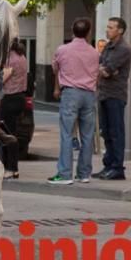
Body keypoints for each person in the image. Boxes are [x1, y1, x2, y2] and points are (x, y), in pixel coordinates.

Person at [48, 18, 99, 185]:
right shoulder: (94, 53)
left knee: (67, 134)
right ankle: (84, 173)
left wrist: (57, 88)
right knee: (87, 135)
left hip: (70, 92)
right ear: (89, 32)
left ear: (72, 31)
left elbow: (55, 69)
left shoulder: (63, 50)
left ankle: (65, 173)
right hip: (89, 94)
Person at [95, 17, 131, 181]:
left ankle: (117, 168)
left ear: (120, 30)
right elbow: (100, 66)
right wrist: (103, 69)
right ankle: (108, 165)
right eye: (107, 26)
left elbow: (107, 70)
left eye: (111, 28)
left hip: (115, 94)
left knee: (116, 132)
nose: (107, 30)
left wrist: (105, 70)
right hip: (103, 93)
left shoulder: (123, 48)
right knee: (106, 131)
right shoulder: (108, 46)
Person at [0, 39, 28, 179]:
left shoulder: (10, 59)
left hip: (9, 99)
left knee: (7, 135)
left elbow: (2, 79)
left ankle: (10, 168)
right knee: (13, 133)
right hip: (20, 98)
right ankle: (12, 168)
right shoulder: (22, 56)